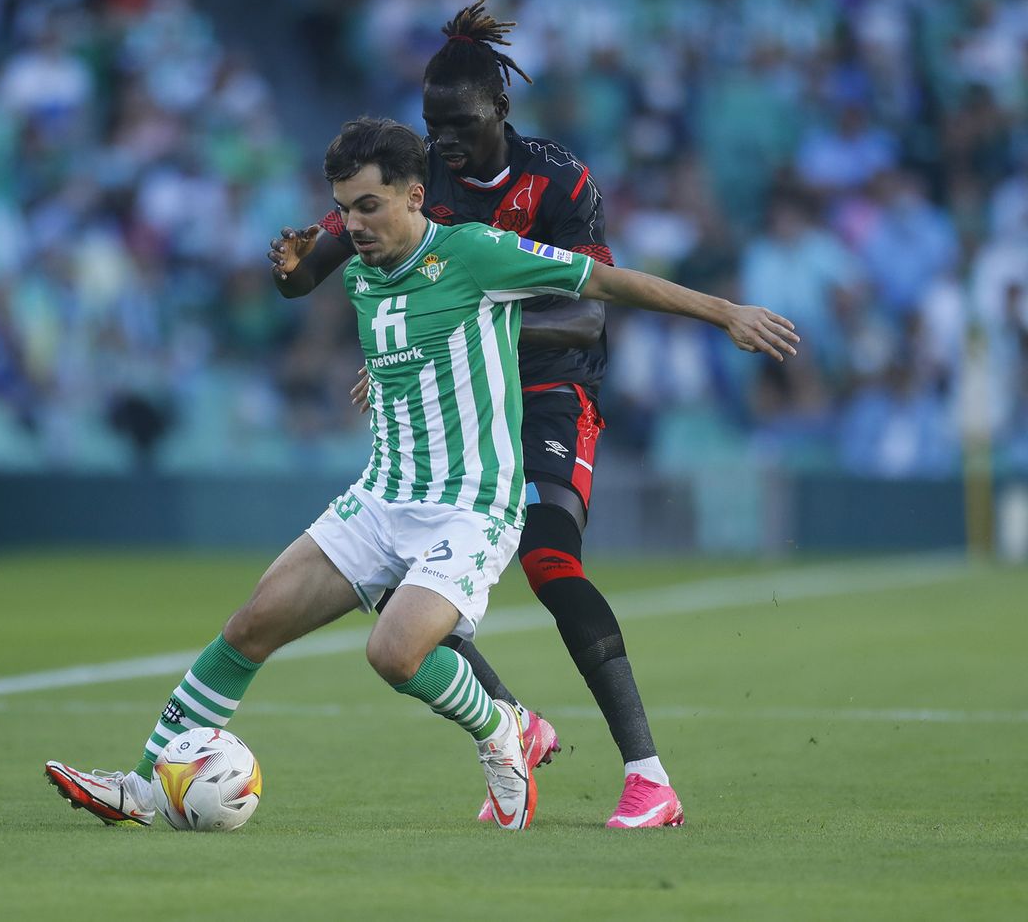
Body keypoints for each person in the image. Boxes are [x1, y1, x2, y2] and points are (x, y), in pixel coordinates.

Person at [47, 117, 796, 829]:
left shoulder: (475, 251)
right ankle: (145, 784)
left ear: (414, 194)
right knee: (249, 625)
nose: (355, 225)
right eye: (344, 210)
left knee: (394, 652)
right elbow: (390, 323)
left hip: (470, 508)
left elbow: (608, 286)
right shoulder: (365, 269)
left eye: (369, 206)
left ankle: (500, 727)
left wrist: (724, 310)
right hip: (380, 498)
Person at [269, 0, 689, 828]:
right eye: (432, 123)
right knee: (399, 585)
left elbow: (588, 315)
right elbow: (313, 265)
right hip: (450, 403)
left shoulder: (562, 181)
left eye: (458, 122)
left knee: (549, 561)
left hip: (549, 389)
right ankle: (514, 724)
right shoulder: (419, 177)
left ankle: (649, 776)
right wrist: (287, 267)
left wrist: (459, 325)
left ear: (499, 108)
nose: (444, 139)